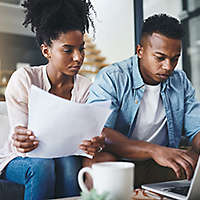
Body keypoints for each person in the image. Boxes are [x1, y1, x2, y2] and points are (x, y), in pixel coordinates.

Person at [81, 14, 200, 187]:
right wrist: (154, 150)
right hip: (120, 157)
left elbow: (196, 129)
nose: (168, 66)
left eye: (175, 59)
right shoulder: (112, 78)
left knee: (192, 163)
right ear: (140, 51)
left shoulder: (180, 81)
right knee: (99, 166)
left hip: (162, 160)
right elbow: (101, 131)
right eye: (160, 58)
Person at [1, 0, 104, 199]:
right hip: (17, 158)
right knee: (43, 165)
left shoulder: (86, 88)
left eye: (81, 49)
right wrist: (22, 139)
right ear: (46, 51)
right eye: (68, 50)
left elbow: (82, 140)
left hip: (62, 156)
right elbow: (21, 140)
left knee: (68, 162)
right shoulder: (24, 79)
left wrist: (93, 143)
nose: (78, 58)